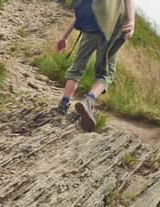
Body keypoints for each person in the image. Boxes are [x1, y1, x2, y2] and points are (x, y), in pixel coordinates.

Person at [55, 0, 136, 132]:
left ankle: (63, 104)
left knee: (77, 66)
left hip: (90, 27)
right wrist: (131, 21)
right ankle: (89, 100)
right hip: (112, 29)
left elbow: (82, 11)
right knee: (105, 73)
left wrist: (65, 37)